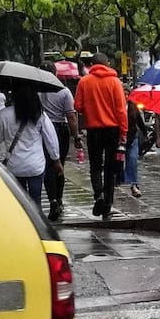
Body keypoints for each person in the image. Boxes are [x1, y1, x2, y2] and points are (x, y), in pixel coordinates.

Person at [74, 53, 128, 221]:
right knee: (110, 169)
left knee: (95, 166)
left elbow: (77, 105)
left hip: (93, 130)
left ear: (92, 64)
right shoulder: (115, 82)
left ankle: (98, 196)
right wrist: (124, 133)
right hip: (112, 130)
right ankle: (107, 206)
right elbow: (121, 110)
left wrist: (90, 111)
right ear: (107, 63)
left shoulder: (84, 81)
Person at [0, 81, 60, 208]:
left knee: (19, 202)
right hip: (35, 166)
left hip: (15, 166)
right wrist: (56, 159)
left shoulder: (4, 114)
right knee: (36, 201)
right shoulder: (39, 114)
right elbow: (51, 139)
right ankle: (37, 225)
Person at [39, 62, 82, 223]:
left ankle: (52, 200)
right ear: (55, 73)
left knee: (48, 166)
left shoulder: (38, 91)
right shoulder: (63, 92)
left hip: (43, 129)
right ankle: (59, 198)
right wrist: (76, 136)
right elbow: (71, 116)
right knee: (59, 164)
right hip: (60, 129)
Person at [124, 99, 145, 198]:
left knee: (133, 160)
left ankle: (134, 184)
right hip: (120, 137)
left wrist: (145, 133)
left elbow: (139, 121)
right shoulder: (116, 105)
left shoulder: (133, 106)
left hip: (133, 137)